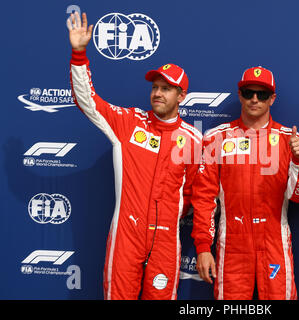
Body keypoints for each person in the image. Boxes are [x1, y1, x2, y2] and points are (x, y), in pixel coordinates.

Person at [67, 12, 202, 299]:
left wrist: (174, 212)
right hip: (127, 233)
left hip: (166, 238)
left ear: (182, 96)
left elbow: (197, 192)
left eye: (166, 89)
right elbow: (89, 102)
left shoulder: (193, 138)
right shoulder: (129, 123)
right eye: (154, 87)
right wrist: (79, 55)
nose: (157, 93)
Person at [191, 66, 299, 300]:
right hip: (232, 245)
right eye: (249, 93)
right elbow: (203, 197)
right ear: (240, 95)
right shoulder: (217, 138)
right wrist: (202, 247)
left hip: (274, 243)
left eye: (262, 94)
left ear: (272, 99)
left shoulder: (292, 140)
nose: (255, 99)